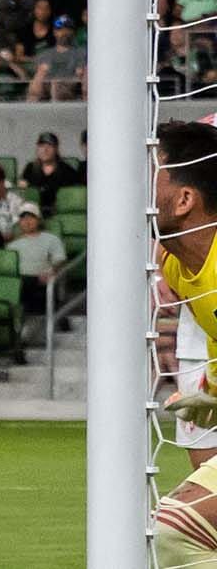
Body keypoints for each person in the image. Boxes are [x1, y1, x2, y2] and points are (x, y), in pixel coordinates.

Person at [147, 120, 217, 565]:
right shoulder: (178, 265)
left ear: (185, 199)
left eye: (152, 173)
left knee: (178, 528)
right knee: (174, 531)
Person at [19, 131, 83, 215]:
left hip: (58, 213)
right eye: (41, 146)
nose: (45, 150)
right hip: (34, 214)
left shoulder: (67, 171)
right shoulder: (30, 168)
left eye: (49, 146)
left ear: (56, 149)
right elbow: (23, 192)